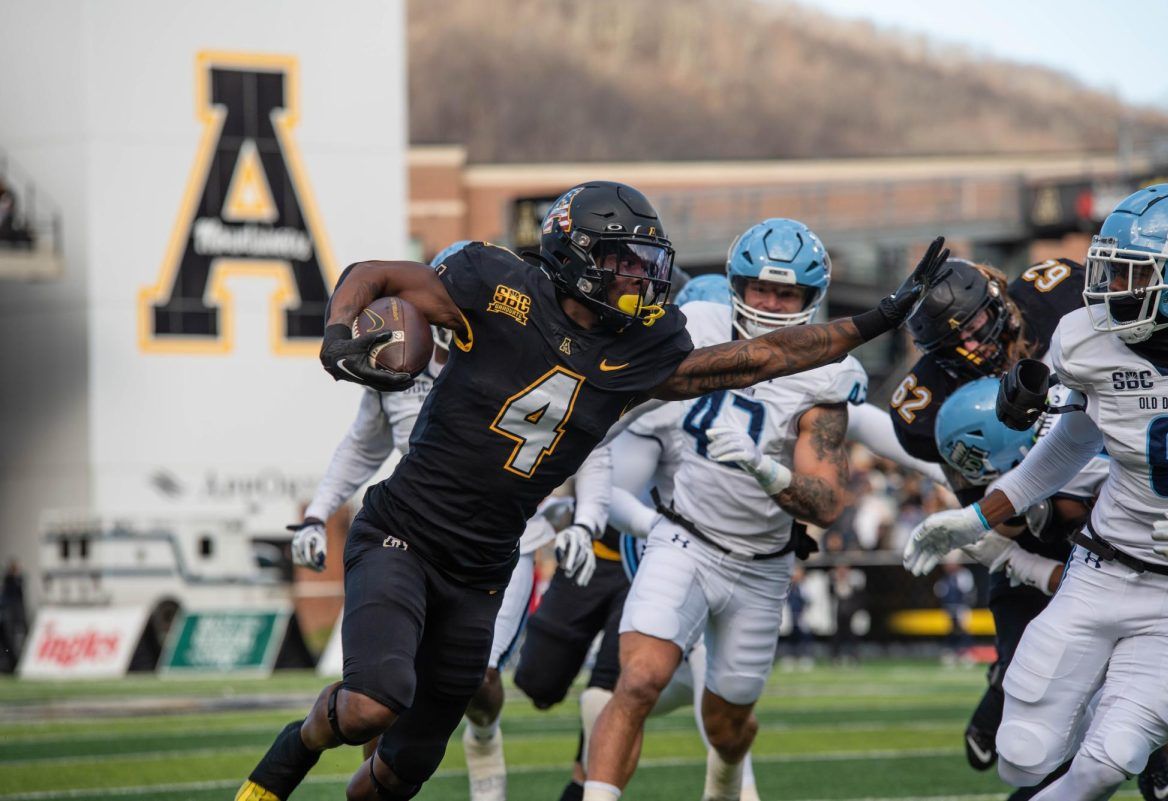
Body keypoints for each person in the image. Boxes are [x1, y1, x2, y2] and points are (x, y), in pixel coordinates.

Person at [235, 181, 949, 801]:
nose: (640, 276)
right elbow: (373, 274)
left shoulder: (645, 347)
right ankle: (282, 764)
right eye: (623, 261)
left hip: (485, 567)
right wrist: (336, 333)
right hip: (406, 533)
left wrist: (878, 321)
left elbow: (765, 356)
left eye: (646, 260)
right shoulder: (494, 283)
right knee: (369, 706)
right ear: (576, 256)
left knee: (405, 768)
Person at [902, 183, 1168, 800]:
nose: (1111, 292)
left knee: (1111, 755)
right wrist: (979, 519)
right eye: (1110, 273)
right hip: (1102, 563)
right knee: (1024, 752)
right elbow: (1067, 444)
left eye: (1135, 275)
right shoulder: (1086, 339)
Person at [288, 239, 612, 801]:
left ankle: (483, 732)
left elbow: (593, 438)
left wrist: (587, 517)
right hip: (410, 533)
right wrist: (318, 512)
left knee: (479, 683)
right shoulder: (402, 350)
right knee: (382, 685)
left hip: (495, 545)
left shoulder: (524, 349)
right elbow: (363, 446)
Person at [584, 218, 869, 801]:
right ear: (734, 283)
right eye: (760, 287)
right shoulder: (695, 327)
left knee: (727, 725)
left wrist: (765, 469)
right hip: (683, 537)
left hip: (761, 566)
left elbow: (827, 501)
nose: (769, 303)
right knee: (637, 680)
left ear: (809, 301)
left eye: (785, 293)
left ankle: (722, 785)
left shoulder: (827, 370)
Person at [886, 251, 1095, 797]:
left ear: (995, 297)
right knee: (1033, 689)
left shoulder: (1056, 295)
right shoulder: (925, 402)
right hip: (1024, 520)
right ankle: (1005, 682)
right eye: (953, 343)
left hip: (1105, 486)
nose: (974, 344)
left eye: (977, 325)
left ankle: (1164, 756)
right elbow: (983, 513)